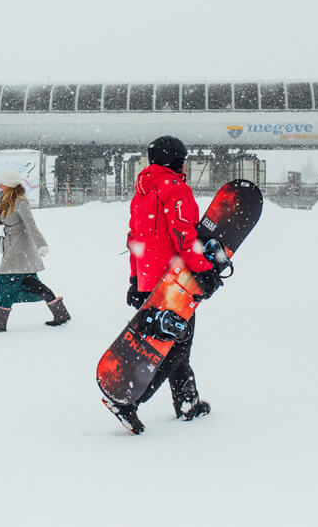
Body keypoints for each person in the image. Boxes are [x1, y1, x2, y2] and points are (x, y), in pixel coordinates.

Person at [103, 136, 221, 435]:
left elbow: (135, 240)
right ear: (177, 161)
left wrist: (134, 279)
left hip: (149, 282)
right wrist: (204, 271)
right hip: (173, 284)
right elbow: (185, 236)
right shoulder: (175, 189)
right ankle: (129, 402)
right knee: (176, 347)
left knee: (168, 344)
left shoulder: (142, 193)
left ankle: (188, 403)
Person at [0, 171, 69, 332]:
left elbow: (31, 224)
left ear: (9, 185)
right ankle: (60, 312)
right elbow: (6, 221)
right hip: (12, 248)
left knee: (4, 281)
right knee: (29, 283)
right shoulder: (6, 199)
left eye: (2, 183)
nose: (0, 185)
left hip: (20, 250)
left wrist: (41, 245)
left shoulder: (20, 202)